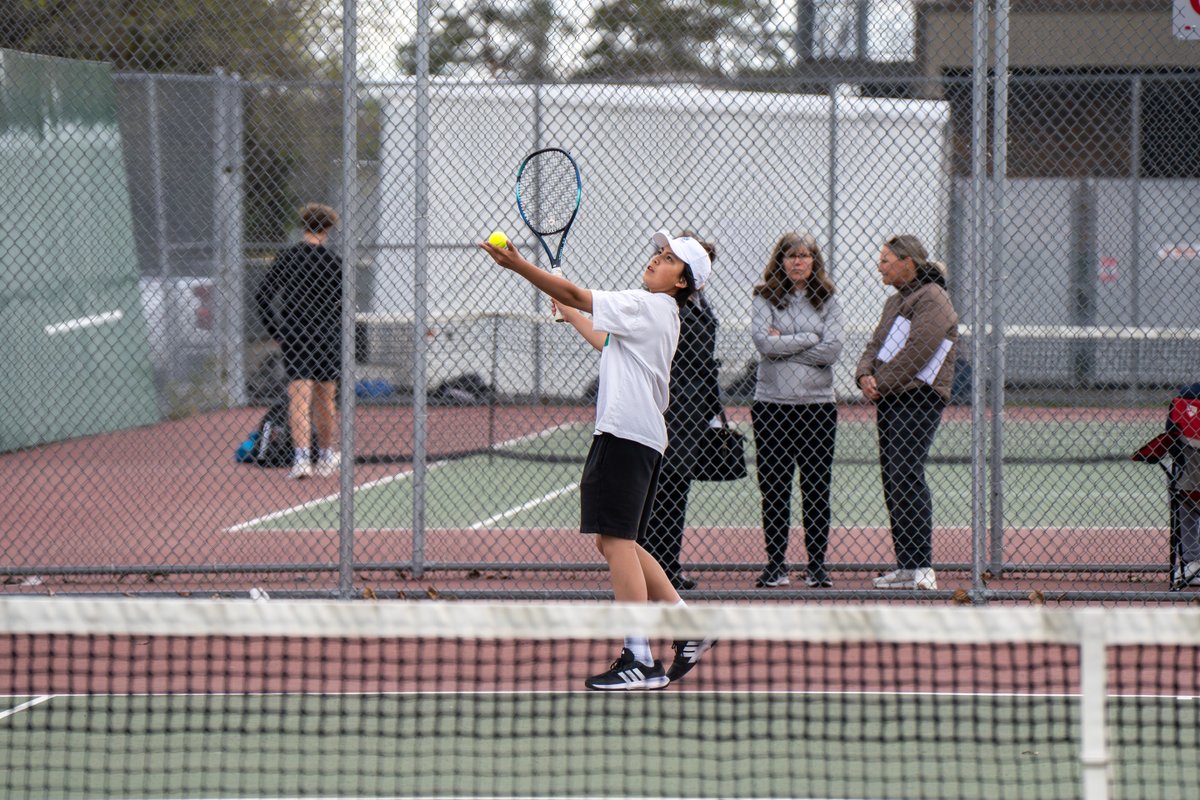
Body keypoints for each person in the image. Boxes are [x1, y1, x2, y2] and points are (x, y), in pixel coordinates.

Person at [482, 228, 715, 690]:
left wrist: (519, 266)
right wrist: (569, 311)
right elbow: (601, 338)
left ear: (682, 282)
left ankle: (639, 657)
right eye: (658, 253)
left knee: (617, 542)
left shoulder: (648, 305)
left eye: (668, 259)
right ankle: (686, 626)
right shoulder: (654, 311)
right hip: (632, 435)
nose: (656, 260)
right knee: (615, 541)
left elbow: (574, 292)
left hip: (627, 434)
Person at [855, 234, 958, 590]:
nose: (879, 266)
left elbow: (920, 350)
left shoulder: (933, 298)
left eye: (886, 259)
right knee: (893, 477)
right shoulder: (894, 302)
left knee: (907, 473)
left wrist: (879, 382)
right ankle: (906, 564)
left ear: (907, 262)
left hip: (919, 399)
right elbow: (875, 344)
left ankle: (923, 567)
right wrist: (864, 374)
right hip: (891, 398)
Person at [749, 233, 844, 589]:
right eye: (791, 256)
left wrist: (783, 344)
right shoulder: (764, 296)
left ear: (814, 261)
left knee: (817, 488)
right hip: (772, 407)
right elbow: (762, 342)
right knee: (774, 487)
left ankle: (816, 566)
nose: (798, 262)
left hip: (818, 408)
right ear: (781, 261)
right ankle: (776, 564)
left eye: (805, 256)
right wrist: (809, 339)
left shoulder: (829, 299)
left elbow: (832, 349)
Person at [642, 232, 721, 591]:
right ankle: (652, 569)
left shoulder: (703, 306)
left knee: (676, 492)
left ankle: (669, 567)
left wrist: (715, 410)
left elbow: (707, 365)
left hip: (693, 415)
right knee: (657, 493)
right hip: (666, 410)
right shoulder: (661, 305)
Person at [255, 203, 343, 480]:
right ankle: (327, 456)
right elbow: (344, 302)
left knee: (299, 399)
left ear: (303, 226)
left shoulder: (287, 258)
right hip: (327, 337)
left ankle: (302, 459)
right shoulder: (334, 262)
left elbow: (262, 295)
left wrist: (277, 331)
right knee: (325, 400)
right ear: (328, 228)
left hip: (295, 336)